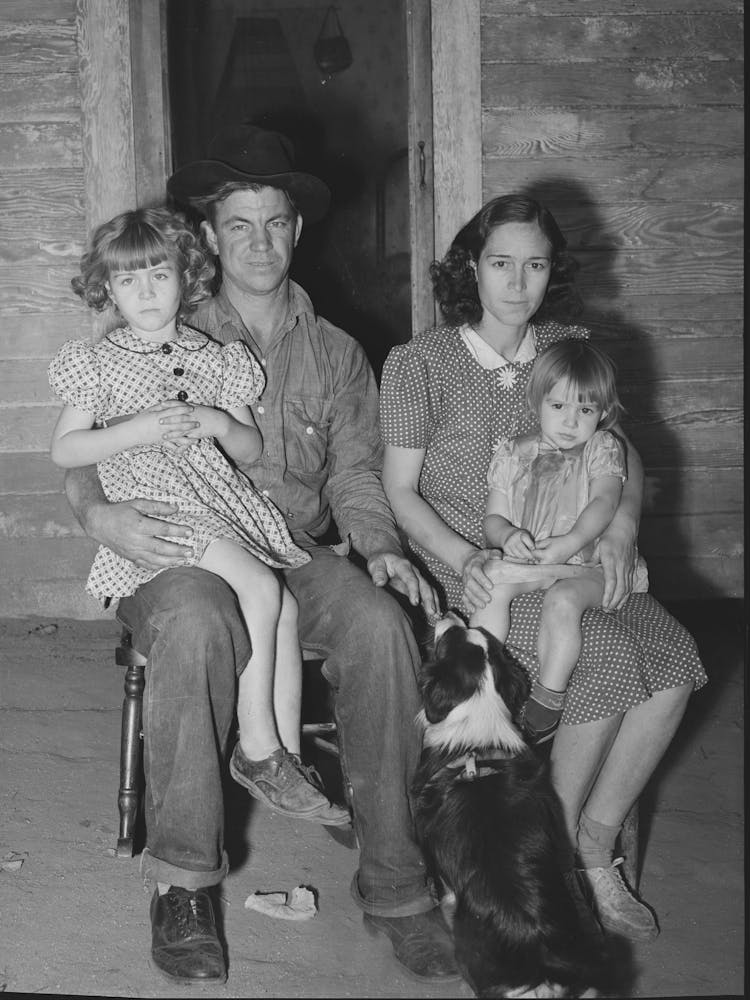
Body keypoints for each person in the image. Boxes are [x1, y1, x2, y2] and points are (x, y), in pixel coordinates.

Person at [63, 126, 457, 986]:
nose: (259, 243)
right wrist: (104, 520)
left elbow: (356, 475)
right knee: (200, 620)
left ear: (298, 232)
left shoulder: (341, 354)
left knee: (378, 625)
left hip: (290, 548)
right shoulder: (162, 317)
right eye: (239, 225)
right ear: (208, 236)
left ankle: (397, 886)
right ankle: (185, 884)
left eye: (275, 223)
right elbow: (85, 443)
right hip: (174, 548)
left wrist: (382, 551)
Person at [380, 194, 707, 943]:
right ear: (472, 267)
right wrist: (469, 558)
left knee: (674, 663)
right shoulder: (419, 363)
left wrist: (621, 530)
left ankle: (594, 845)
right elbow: (399, 491)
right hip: (475, 567)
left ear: (552, 272)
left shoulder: (571, 343)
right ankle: (543, 862)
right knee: (600, 667)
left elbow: (619, 455)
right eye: (501, 263)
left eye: (535, 264)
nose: (518, 282)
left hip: (577, 553)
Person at [48, 207, 347, 828]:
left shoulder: (212, 355)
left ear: (187, 277)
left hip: (219, 498)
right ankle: (257, 746)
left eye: (160, 275)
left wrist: (215, 422)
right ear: (108, 289)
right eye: (129, 282)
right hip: (161, 500)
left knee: (284, 606)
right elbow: (65, 449)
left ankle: (282, 756)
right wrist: (138, 428)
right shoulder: (99, 363)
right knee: (263, 587)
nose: (147, 293)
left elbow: (250, 448)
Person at [472, 338, 649, 746]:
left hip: (589, 563)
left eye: (584, 410)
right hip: (539, 560)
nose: (570, 422)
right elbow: (492, 519)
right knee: (491, 587)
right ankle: (485, 679)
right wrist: (509, 535)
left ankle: (548, 701)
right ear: (537, 403)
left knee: (563, 601)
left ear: (603, 413)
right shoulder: (514, 453)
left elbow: (605, 503)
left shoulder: (603, 449)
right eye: (558, 407)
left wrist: (570, 542)